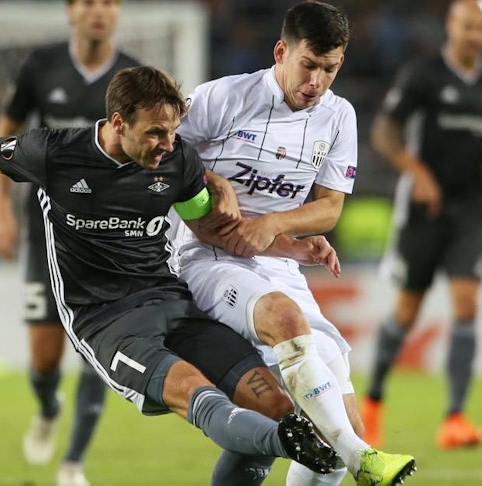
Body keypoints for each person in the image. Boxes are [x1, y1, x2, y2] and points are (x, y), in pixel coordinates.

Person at [0, 65, 341, 485]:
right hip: (105, 321)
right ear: (118, 123)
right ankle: (288, 441)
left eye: (172, 132)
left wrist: (294, 245)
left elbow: (210, 229)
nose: (168, 144)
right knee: (197, 395)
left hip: (171, 301)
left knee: (275, 406)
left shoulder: (178, 160)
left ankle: (285, 435)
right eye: (155, 133)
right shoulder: (55, 153)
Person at [170, 2, 416, 485]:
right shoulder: (223, 97)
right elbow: (161, 153)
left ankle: (354, 447)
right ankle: (361, 455)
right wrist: (211, 181)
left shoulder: (339, 116)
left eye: (329, 69)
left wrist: (274, 227)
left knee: (333, 425)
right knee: (286, 337)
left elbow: (329, 207)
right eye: (308, 65)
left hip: (278, 266)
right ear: (282, 52)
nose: (316, 82)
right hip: (203, 259)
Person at [0, 1, 140, 483]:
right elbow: (5, 134)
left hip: (107, 236)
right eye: (89, 2)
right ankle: (48, 406)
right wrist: (0, 208)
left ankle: (73, 462)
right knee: (45, 357)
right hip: (47, 229)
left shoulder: (133, 75)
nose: (100, 11)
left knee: (97, 344)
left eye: (109, 3)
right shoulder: (42, 65)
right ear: (71, 11)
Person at [361, 0, 482, 450]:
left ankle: (455, 418)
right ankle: (372, 406)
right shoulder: (423, 74)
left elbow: (476, 127)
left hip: (470, 207)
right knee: (408, 311)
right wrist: (419, 173)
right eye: (467, 26)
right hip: (424, 212)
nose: (474, 35)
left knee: (467, 304)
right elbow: (385, 133)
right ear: (452, 25)